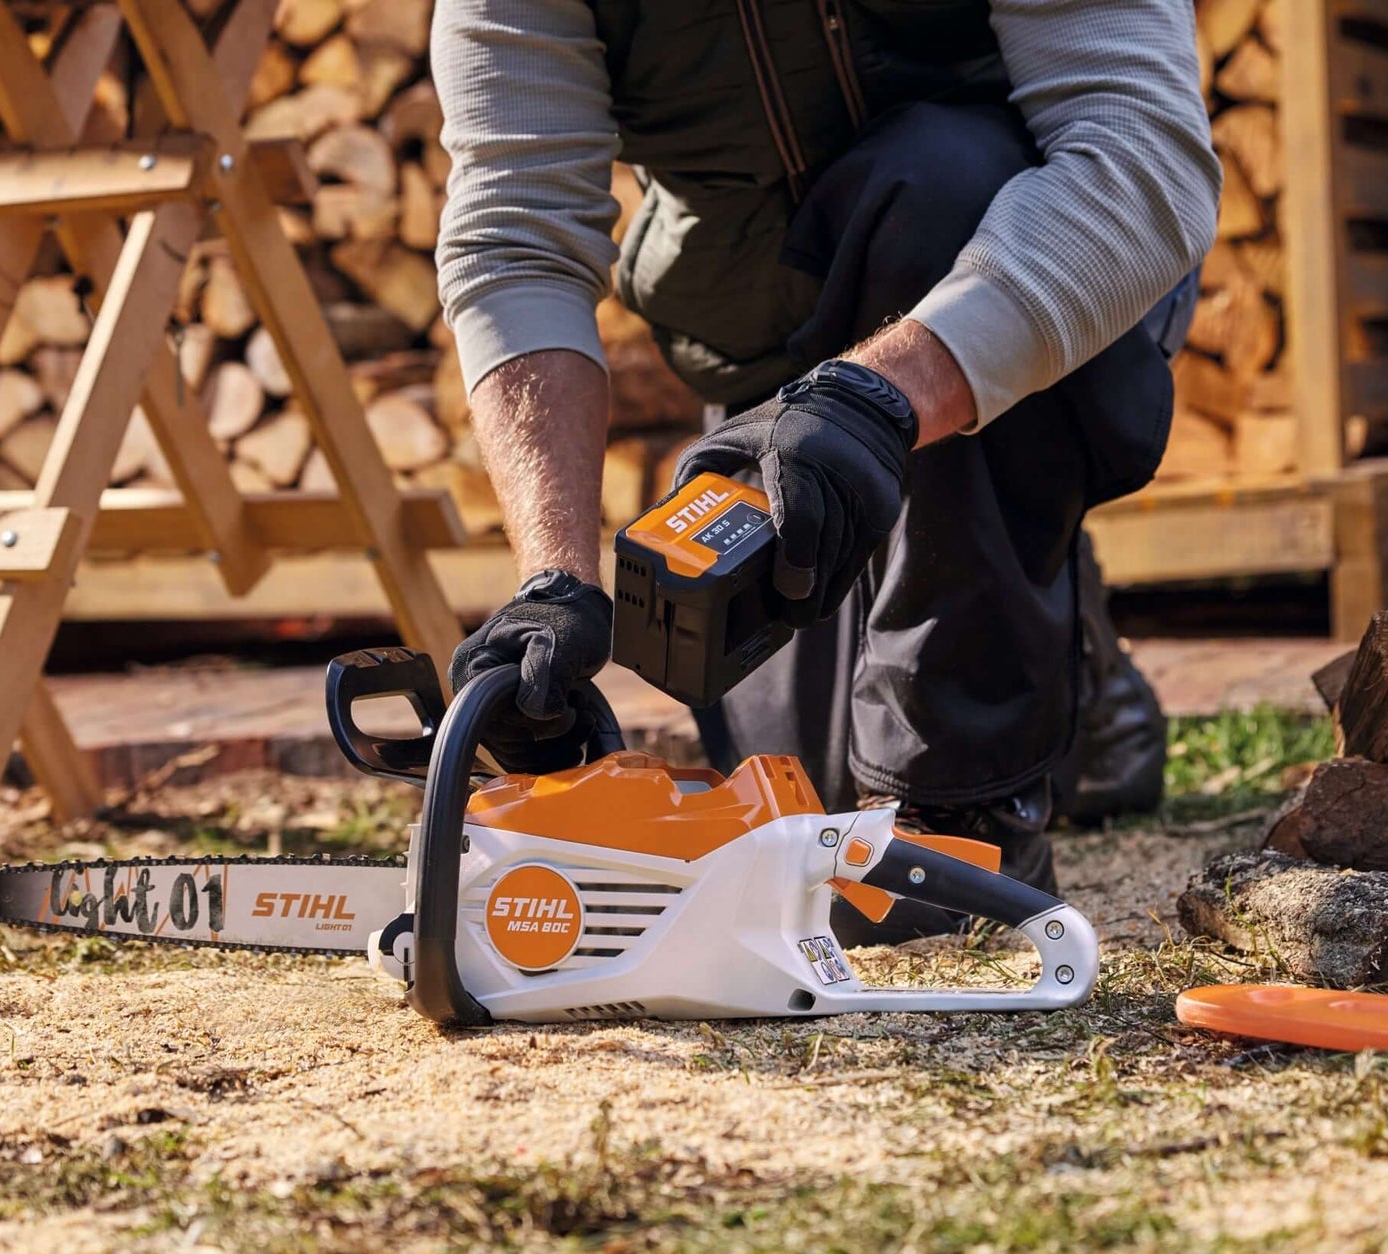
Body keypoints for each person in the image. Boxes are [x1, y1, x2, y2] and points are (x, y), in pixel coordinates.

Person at [433, 0, 1220, 941]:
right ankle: (1068, 644)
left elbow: (1144, 161)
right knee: (806, 782)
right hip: (778, 334)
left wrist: (877, 399)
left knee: (943, 177)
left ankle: (966, 812)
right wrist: (553, 575)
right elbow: (517, 239)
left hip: (1040, 257)